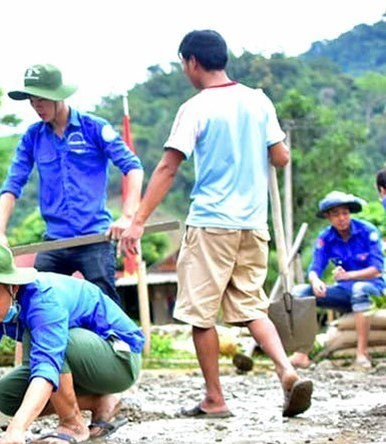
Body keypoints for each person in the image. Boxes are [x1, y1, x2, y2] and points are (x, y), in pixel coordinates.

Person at [118, 29, 313, 418]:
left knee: (199, 314)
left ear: (192, 62)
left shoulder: (196, 107)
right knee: (253, 306)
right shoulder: (259, 101)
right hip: (253, 225)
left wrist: (137, 221)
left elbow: (168, 166)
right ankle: (286, 370)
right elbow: (281, 157)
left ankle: (214, 399)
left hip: (211, 223)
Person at [0, 240, 144, 444]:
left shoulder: (44, 300)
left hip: (119, 359)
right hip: (75, 363)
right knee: (5, 396)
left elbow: (48, 363)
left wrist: (17, 428)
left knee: (40, 337)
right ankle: (101, 402)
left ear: (14, 287)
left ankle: (73, 424)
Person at [0, 63, 144, 304]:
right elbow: (12, 184)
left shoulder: (94, 128)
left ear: (58, 96)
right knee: (36, 300)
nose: (36, 106)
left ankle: (119, 342)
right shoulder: (33, 137)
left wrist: (127, 216)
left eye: (41, 99)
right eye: (31, 100)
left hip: (94, 237)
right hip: (55, 239)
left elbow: (133, 167)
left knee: (105, 305)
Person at [289, 192, 385, 369]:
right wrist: (316, 281)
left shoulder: (368, 231)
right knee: (299, 292)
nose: (342, 218)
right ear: (328, 217)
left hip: (372, 289)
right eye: (336, 214)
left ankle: (362, 353)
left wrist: (349, 276)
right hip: (343, 293)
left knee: (360, 289)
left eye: (345, 213)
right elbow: (314, 268)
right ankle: (302, 353)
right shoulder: (325, 238)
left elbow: (376, 269)